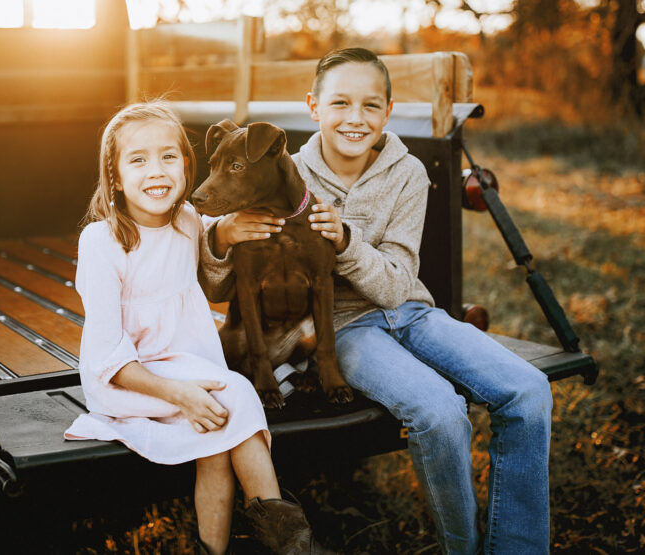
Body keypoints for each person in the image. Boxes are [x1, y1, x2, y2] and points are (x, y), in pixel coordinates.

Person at [201, 48, 554, 555]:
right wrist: (222, 235)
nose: (355, 118)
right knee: (439, 411)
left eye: (370, 105)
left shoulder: (407, 172)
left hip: (412, 311)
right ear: (313, 107)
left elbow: (395, 285)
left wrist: (345, 241)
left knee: (529, 390)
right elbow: (220, 281)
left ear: (388, 112)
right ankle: (463, 549)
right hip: (345, 328)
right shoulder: (277, 172)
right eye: (340, 102)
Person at [64, 102, 329, 555]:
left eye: (169, 157)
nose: (157, 171)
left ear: (187, 166)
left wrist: (229, 230)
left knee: (216, 440)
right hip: (129, 378)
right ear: (114, 173)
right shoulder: (101, 242)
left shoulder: (186, 220)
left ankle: (223, 548)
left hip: (188, 368)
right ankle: (292, 546)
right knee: (239, 396)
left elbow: (215, 233)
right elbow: (108, 355)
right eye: (138, 159)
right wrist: (179, 394)